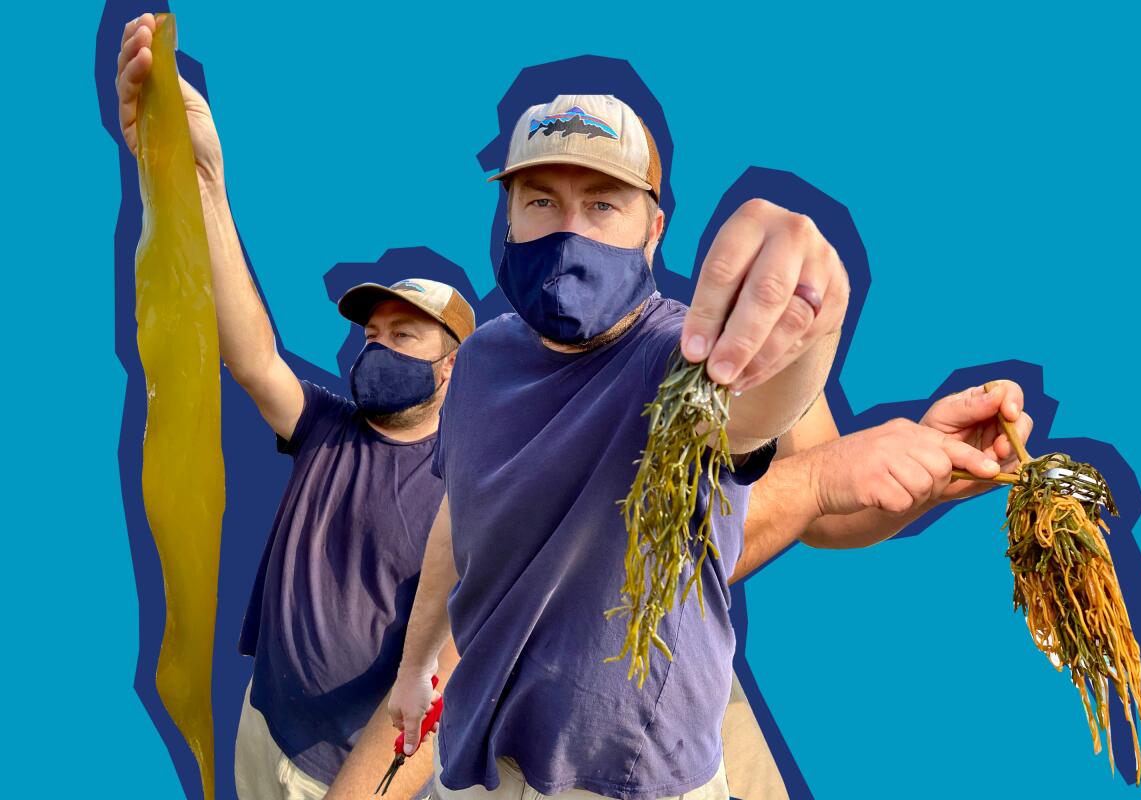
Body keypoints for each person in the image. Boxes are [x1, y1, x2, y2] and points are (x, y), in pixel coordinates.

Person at [387, 95, 1030, 800]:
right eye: (541, 202)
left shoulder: (685, 356)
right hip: (479, 759)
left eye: (603, 205)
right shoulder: (479, 360)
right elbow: (460, 516)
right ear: (506, 215)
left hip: (633, 778)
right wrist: (416, 668)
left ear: (653, 228)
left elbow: (759, 422)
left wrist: (813, 313)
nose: (569, 232)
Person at [116, 14, 471, 799]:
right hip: (261, 727)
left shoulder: (473, 488)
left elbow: (452, 677)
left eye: (404, 334)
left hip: (355, 776)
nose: (374, 349)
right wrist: (201, 180)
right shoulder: (328, 429)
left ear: (453, 367)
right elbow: (250, 357)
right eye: (370, 332)